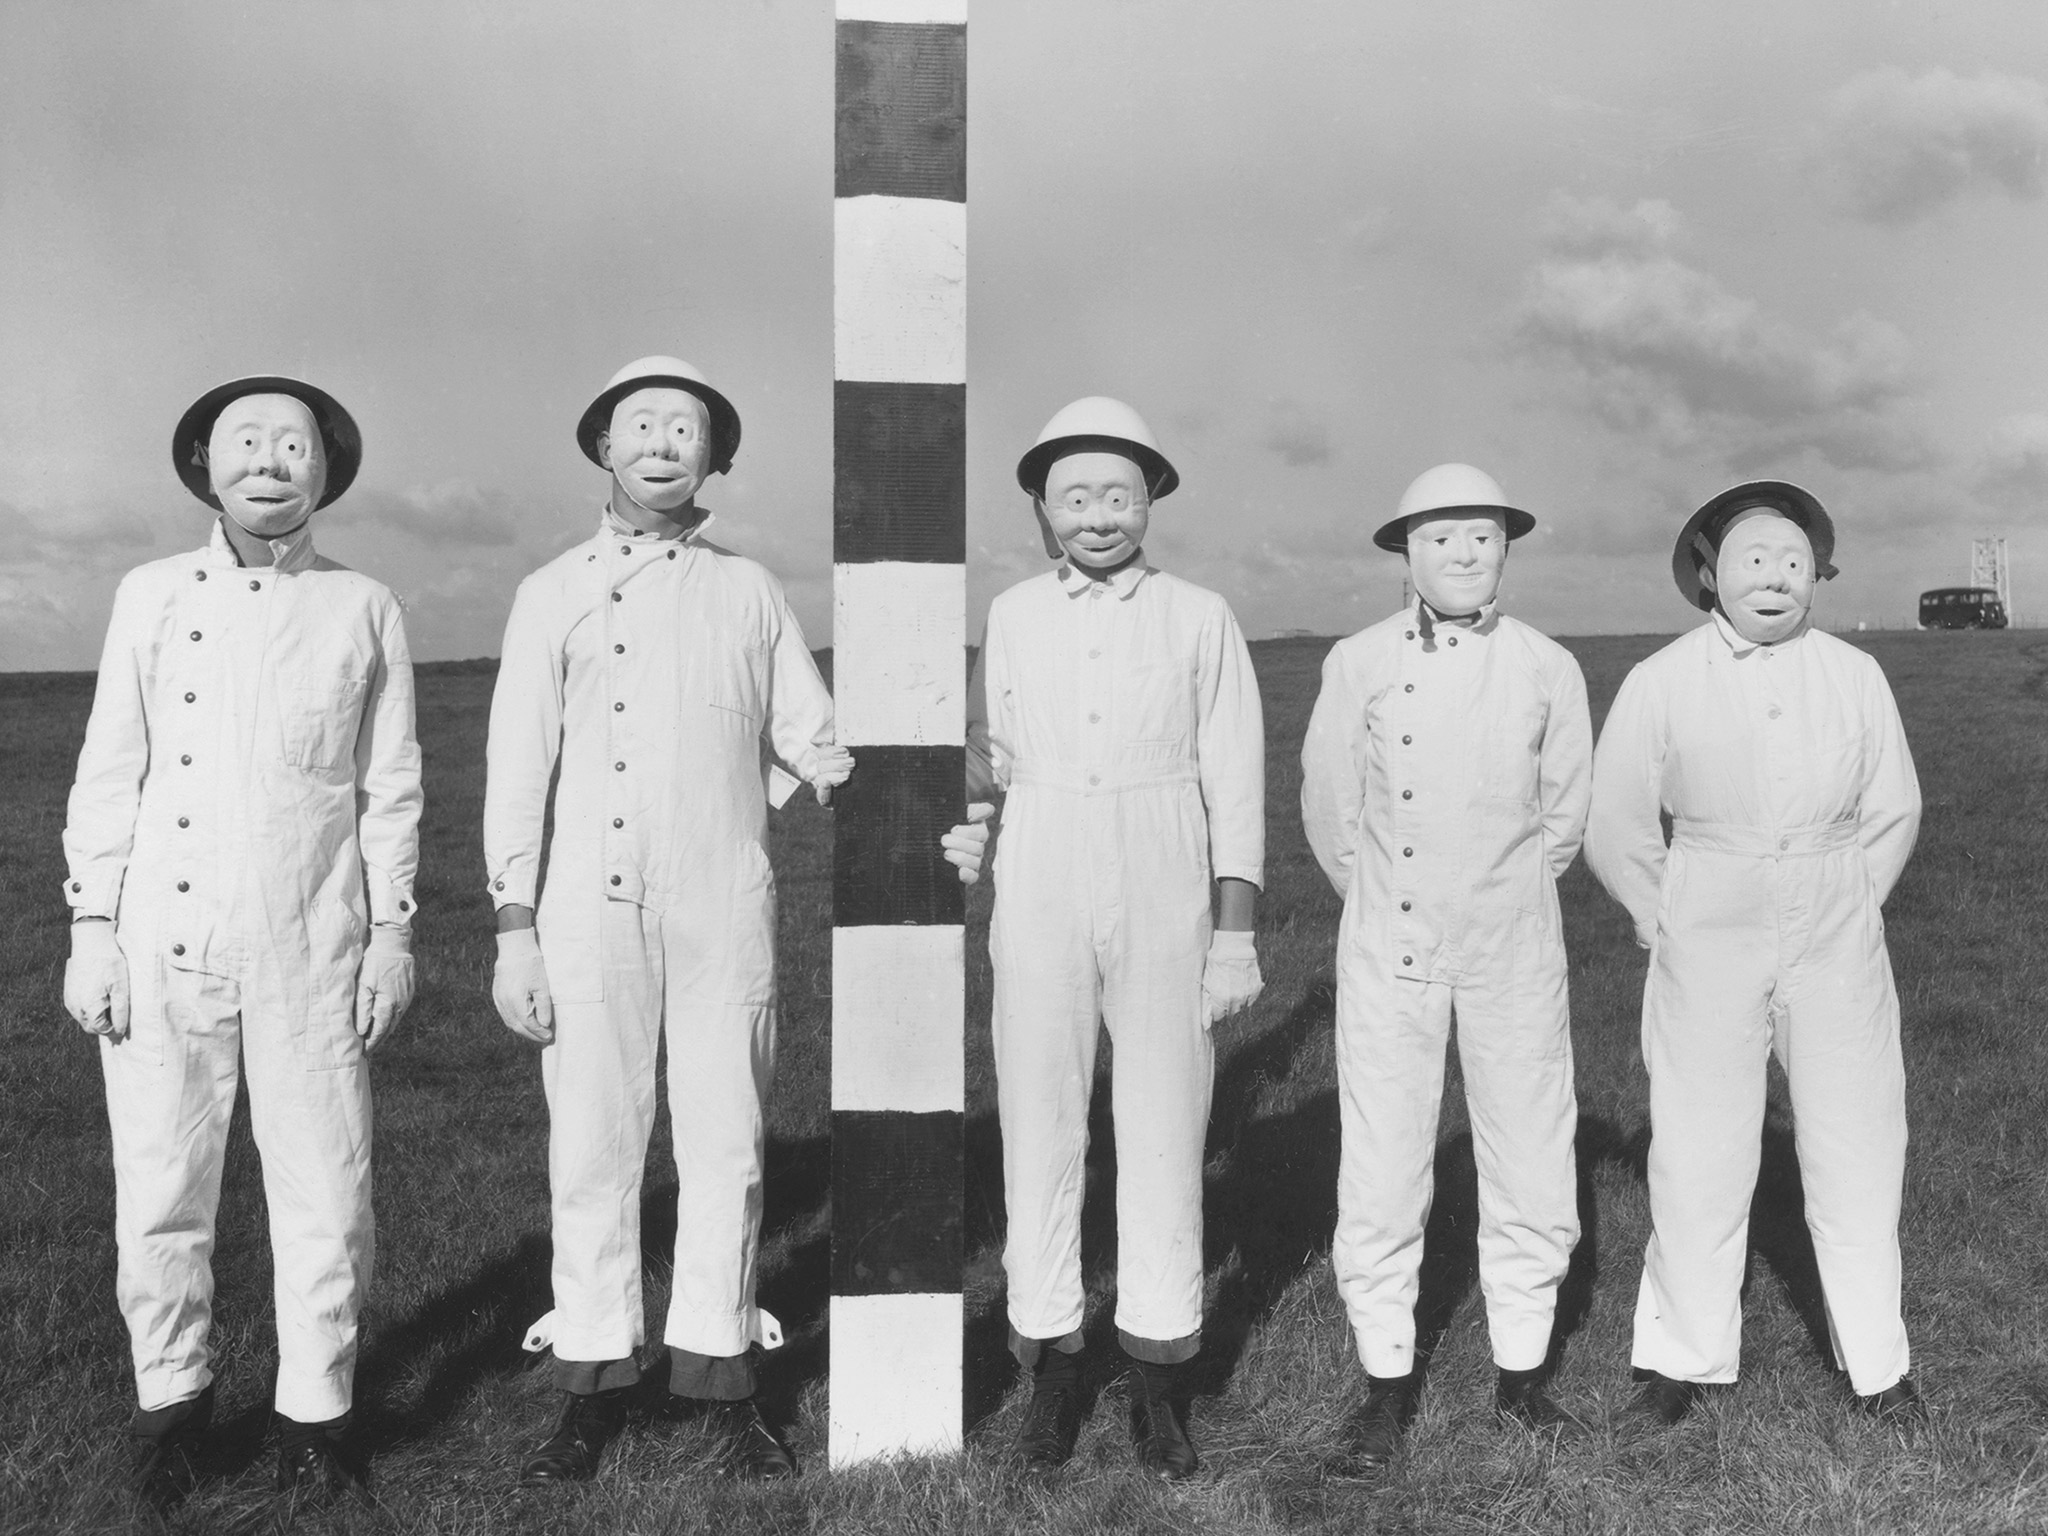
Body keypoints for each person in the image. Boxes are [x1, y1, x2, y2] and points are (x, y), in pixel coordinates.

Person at [485, 356, 851, 1485]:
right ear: (603, 445)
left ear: (713, 456)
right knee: (593, 1147)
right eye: (639, 424)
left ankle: (720, 1372)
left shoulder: (748, 589)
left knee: (726, 1144)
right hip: (583, 912)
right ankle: (594, 1378)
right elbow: (514, 764)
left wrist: (891, 784)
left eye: (684, 427)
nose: (660, 442)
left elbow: (813, 736)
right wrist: (513, 925)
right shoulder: (548, 590)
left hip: (719, 902)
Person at [62, 376, 421, 1510]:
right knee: (165, 1186)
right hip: (166, 946)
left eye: (295, 443)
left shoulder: (366, 606)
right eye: (246, 440)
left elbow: (390, 792)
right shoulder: (151, 594)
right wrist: (93, 929)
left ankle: (317, 1416)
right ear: (204, 463)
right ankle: (171, 1406)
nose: (270, 459)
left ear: (326, 468)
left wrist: (392, 936)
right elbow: (110, 769)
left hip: (313, 946)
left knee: (327, 1191)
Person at [954, 396, 1265, 1480]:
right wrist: (968, 835)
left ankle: (1158, 1377)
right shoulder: (1014, 614)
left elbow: (1234, 778)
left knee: (1165, 1124)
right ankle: (1051, 1365)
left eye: (1118, 494)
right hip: (1039, 872)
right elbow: (985, 761)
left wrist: (1233, 933)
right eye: (1075, 494)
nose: (1098, 513)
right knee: (1037, 1121)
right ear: (1041, 506)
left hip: (1162, 868)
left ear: (1149, 505)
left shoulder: (1198, 615)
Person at [1583, 481, 1923, 1427]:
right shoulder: (1663, 679)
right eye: (1752, 560)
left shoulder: (1855, 676)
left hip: (1834, 928)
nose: (1774, 577)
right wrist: (1668, 919)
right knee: (1697, 1143)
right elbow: (1614, 822)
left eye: (1792, 561)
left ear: (1817, 575)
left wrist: (1851, 904)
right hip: (1709, 921)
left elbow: (1894, 808)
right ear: (1708, 574)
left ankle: (1880, 1365)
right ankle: (1683, 1358)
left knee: (1858, 1140)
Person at [1300, 463, 1592, 1470]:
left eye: (1479, 537)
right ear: (1404, 553)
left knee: (1530, 1152)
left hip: (1513, 943)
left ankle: (1519, 1376)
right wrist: (1388, 904)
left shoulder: (1548, 667)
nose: (1461, 554)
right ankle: (1382, 1383)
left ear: (1504, 548)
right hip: (1391, 942)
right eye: (1438, 538)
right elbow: (1332, 813)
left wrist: (1496, 901)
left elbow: (1560, 818)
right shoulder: (1357, 662)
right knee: (1381, 1164)